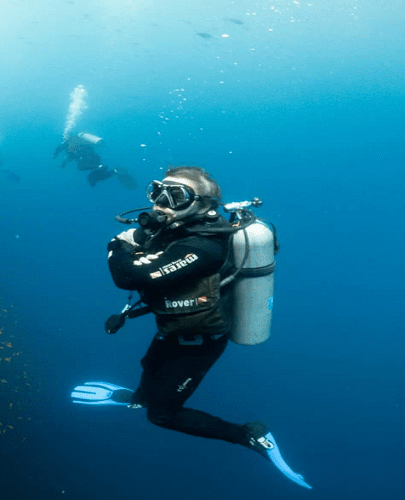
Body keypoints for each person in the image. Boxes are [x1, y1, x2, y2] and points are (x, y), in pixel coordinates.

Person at [102, 166, 309, 488]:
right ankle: (141, 396)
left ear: (205, 206)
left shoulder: (204, 245)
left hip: (200, 342)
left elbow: (130, 277)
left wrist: (117, 245)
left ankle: (250, 436)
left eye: (177, 196)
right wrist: (131, 243)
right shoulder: (173, 227)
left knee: (162, 416)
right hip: (174, 328)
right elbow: (139, 250)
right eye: (157, 191)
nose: (161, 203)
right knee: (148, 365)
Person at [53, 133, 135, 188]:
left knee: (82, 169)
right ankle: (114, 171)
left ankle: (102, 168)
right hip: (94, 158)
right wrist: (64, 162)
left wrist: (55, 154)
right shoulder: (79, 142)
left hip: (88, 160)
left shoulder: (69, 142)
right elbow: (69, 157)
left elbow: (60, 149)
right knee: (96, 177)